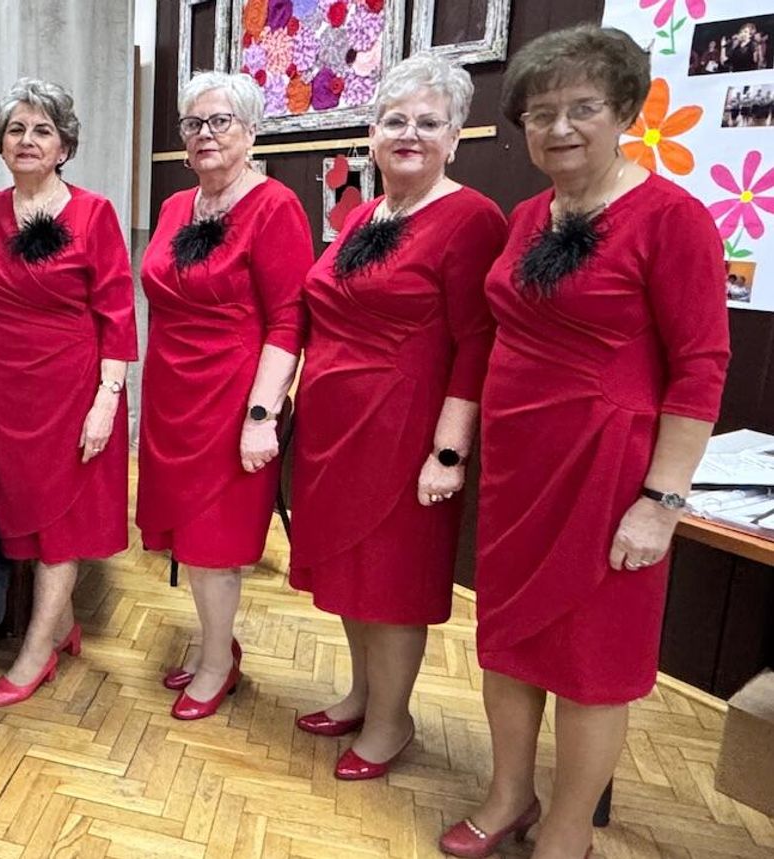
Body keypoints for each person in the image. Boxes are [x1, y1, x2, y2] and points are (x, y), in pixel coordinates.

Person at [440, 26, 730, 859]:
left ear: (626, 111)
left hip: (609, 471)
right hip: (519, 466)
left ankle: (569, 830)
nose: (559, 128)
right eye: (540, 114)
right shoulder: (529, 216)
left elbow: (702, 367)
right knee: (508, 640)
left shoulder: (672, 219)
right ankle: (509, 796)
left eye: (582, 108)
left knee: (592, 661)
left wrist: (662, 502)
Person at [288, 53, 506, 778]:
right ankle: (362, 694)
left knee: (393, 582)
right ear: (372, 136)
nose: (409, 134)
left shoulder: (472, 219)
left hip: (405, 433)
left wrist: (449, 452)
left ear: (455, 137)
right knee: (351, 574)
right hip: (335, 431)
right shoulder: (364, 215)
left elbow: (477, 344)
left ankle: (391, 721)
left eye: (428, 123)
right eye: (394, 121)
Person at [0, 78, 138, 708]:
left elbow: (117, 314)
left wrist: (107, 400)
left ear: (64, 147)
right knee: (24, 516)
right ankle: (62, 621)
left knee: (62, 524)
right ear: (1, 143)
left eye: (42, 130)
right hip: (7, 391)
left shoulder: (93, 213)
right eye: (16, 129)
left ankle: (36, 649)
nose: (27, 140)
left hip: (72, 390)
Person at [135, 71, 310, 722]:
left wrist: (263, 414)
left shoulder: (275, 206)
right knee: (188, 536)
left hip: (233, 397)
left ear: (251, 131)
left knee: (215, 541)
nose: (204, 134)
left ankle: (217, 664)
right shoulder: (176, 207)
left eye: (220, 121)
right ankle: (216, 642)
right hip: (171, 393)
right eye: (193, 124)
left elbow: (289, 320)